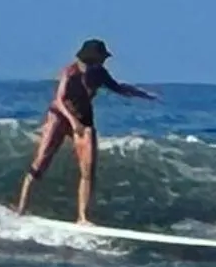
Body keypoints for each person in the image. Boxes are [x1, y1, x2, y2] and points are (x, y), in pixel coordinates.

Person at [13, 39, 160, 224]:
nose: (105, 61)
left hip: (84, 118)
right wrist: (72, 122)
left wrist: (143, 94)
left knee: (88, 168)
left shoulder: (100, 73)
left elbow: (119, 87)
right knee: (41, 160)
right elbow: (60, 99)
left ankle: (82, 217)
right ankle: (21, 208)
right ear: (92, 57)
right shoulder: (70, 72)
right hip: (59, 116)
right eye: (102, 57)